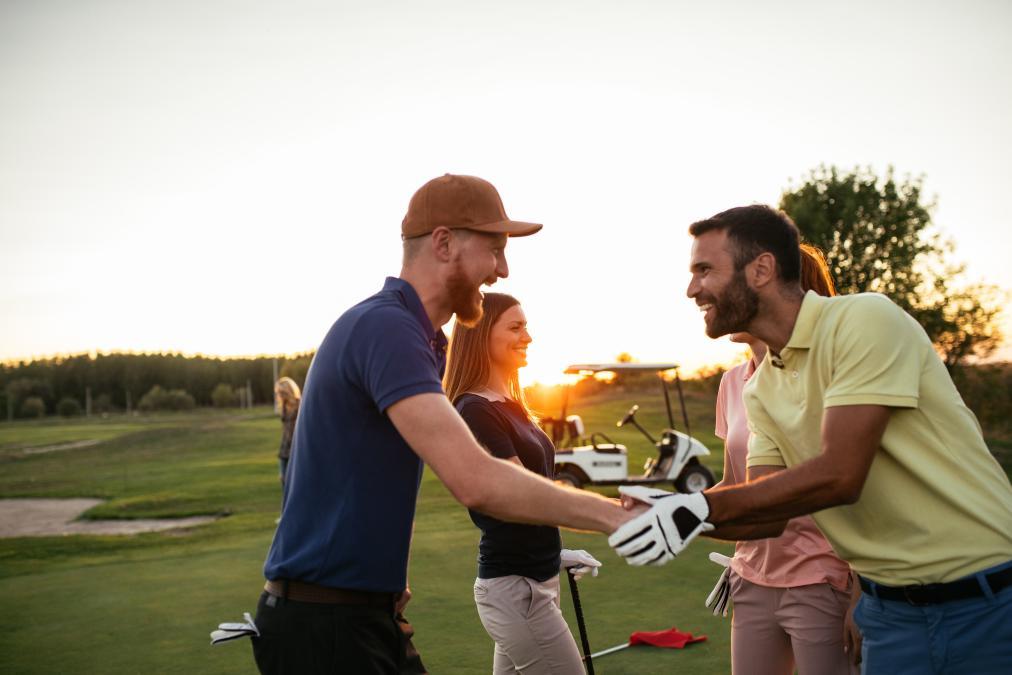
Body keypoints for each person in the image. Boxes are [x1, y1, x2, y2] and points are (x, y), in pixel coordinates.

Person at [252, 174, 637, 675]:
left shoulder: (417, 338)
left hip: (359, 613)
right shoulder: (387, 328)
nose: (501, 269)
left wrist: (385, 583)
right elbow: (476, 480)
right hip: (324, 626)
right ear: (443, 242)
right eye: (494, 250)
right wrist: (615, 516)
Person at [609, 204, 1012, 674]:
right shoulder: (760, 388)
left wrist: (698, 510)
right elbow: (765, 513)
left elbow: (841, 475)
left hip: (988, 600)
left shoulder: (863, 319)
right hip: (891, 616)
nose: (692, 288)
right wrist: (670, 509)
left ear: (761, 269)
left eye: (704, 270)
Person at [711, 244, 859, 675]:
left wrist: (861, 592)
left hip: (821, 577)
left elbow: (855, 489)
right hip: (751, 577)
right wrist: (669, 510)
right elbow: (733, 485)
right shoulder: (731, 383)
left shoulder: (829, 378)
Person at [444, 292, 602, 675]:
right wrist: (610, 514)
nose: (527, 337)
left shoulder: (512, 405)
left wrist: (555, 553)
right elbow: (520, 496)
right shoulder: (475, 409)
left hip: (535, 582)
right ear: (481, 336)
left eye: (526, 327)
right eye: (515, 327)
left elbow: (530, 503)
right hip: (516, 591)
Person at [273, 376, 301, 488]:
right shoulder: (283, 408)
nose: (278, 395)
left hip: (296, 452)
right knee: (284, 484)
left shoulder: (300, 405)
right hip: (284, 452)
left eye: (280, 392)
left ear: (287, 392)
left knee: (296, 487)